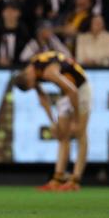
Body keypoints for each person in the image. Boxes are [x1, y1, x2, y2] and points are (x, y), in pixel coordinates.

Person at [13, 51, 91, 191]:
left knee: (80, 132)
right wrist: (52, 121)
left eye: (32, 84)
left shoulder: (48, 72)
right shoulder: (31, 70)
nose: (35, 85)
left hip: (80, 88)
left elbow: (73, 91)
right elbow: (43, 98)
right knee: (62, 135)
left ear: (29, 78)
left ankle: (75, 180)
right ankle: (58, 178)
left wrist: (76, 119)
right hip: (66, 91)